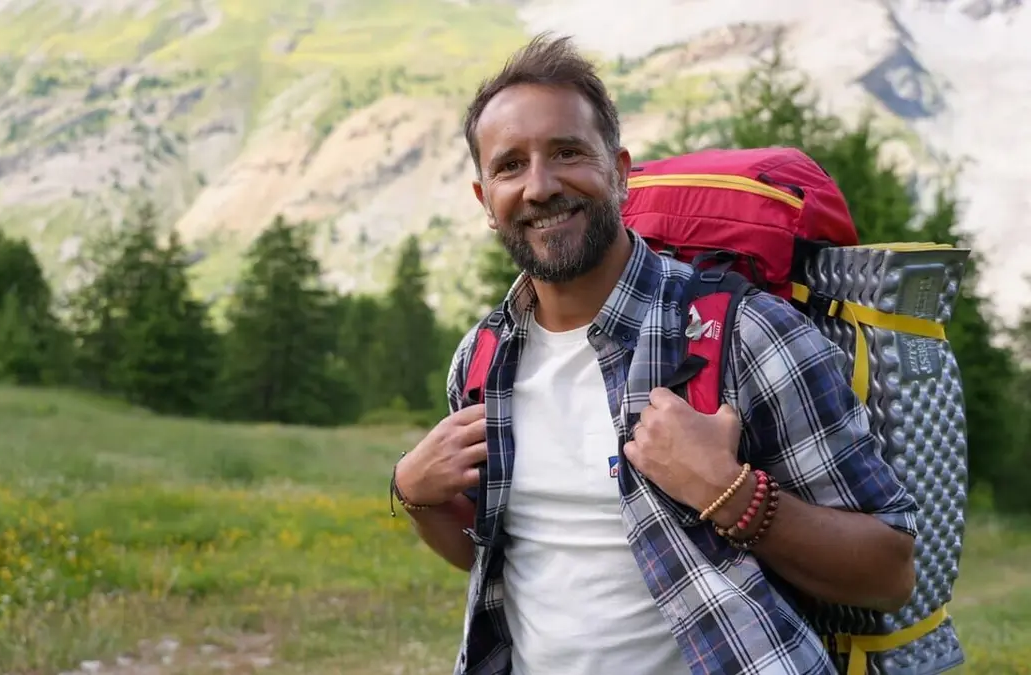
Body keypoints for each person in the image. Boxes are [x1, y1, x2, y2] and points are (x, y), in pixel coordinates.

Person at [389, 33, 920, 675]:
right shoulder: (483, 359)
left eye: (567, 152)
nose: (539, 186)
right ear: (485, 201)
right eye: (510, 166)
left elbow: (889, 575)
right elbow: (502, 558)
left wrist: (731, 496)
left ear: (619, 172)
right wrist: (415, 495)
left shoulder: (746, 335)